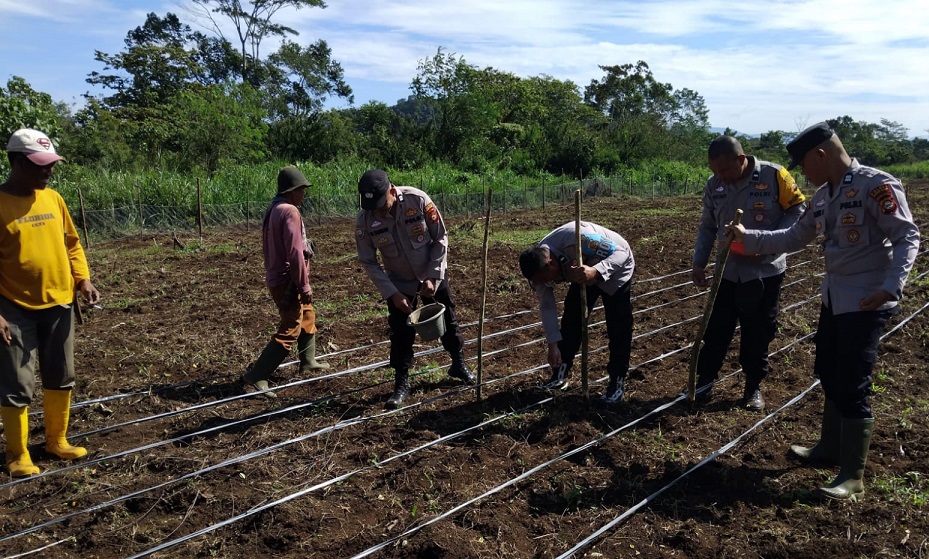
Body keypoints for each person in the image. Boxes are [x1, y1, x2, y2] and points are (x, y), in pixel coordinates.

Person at [728, 122, 919, 501]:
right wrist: (750, 240)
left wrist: (890, 287)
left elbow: (907, 235)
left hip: (866, 300)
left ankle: (853, 476)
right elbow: (795, 236)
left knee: (853, 380)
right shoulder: (823, 196)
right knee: (828, 371)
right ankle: (829, 448)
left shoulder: (875, 185)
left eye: (803, 164)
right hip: (835, 298)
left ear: (820, 155)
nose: (801, 173)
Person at [0, 128, 101, 477]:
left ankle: (56, 440)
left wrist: (82, 279)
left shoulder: (53, 199)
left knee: (61, 375)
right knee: (17, 382)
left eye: (51, 165)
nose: (48, 171)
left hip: (59, 302)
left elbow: (72, 244)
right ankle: (17, 455)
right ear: (15, 162)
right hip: (13, 307)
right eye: (40, 165)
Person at [691, 136, 806, 410]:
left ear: (741, 160)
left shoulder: (776, 175)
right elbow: (708, 226)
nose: (720, 177)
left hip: (764, 271)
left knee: (758, 332)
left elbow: (798, 212)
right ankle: (705, 381)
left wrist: (771, 241)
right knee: (717, 329)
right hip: (726, 271)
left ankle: (753, 386)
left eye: (724, 170)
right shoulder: (714, 184)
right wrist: (699, 262)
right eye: (714, 171)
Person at [354, 169, 475, 409]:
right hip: (398, 282)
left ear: (391, 190)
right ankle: (402, 383)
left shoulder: (418, 200)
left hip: (431, 273)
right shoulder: (365, 220)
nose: (378, 210)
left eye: (381, 204)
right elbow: (368, 260)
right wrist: (392, 293)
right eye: (373, 206)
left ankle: (458, 363)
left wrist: (433, 276)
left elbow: (440, 237)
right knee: (400, 332)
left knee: (448, 319)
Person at [518, 222, 634, 403]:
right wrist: (552, 344)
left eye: (550, 280)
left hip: (615, 270)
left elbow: (622, 254)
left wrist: (596, 271)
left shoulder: (580, 239)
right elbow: (547, 306)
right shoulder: (537, 274)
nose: (551, 284)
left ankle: (616, 384)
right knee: (571, 320)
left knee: (619, 327)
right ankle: (560, 375)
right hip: (580, 274)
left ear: (551, 264)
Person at [241, 166, 329, 396]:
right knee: (290, 326)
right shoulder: (290, 211)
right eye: (302, 190)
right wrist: (304, 285)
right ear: (293, 191)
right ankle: (257, 375)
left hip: (276, 275)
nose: (304, 195)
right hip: (287, 280)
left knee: (307, 314)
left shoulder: (274, 208)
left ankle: (308, 361)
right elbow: (294, 253)